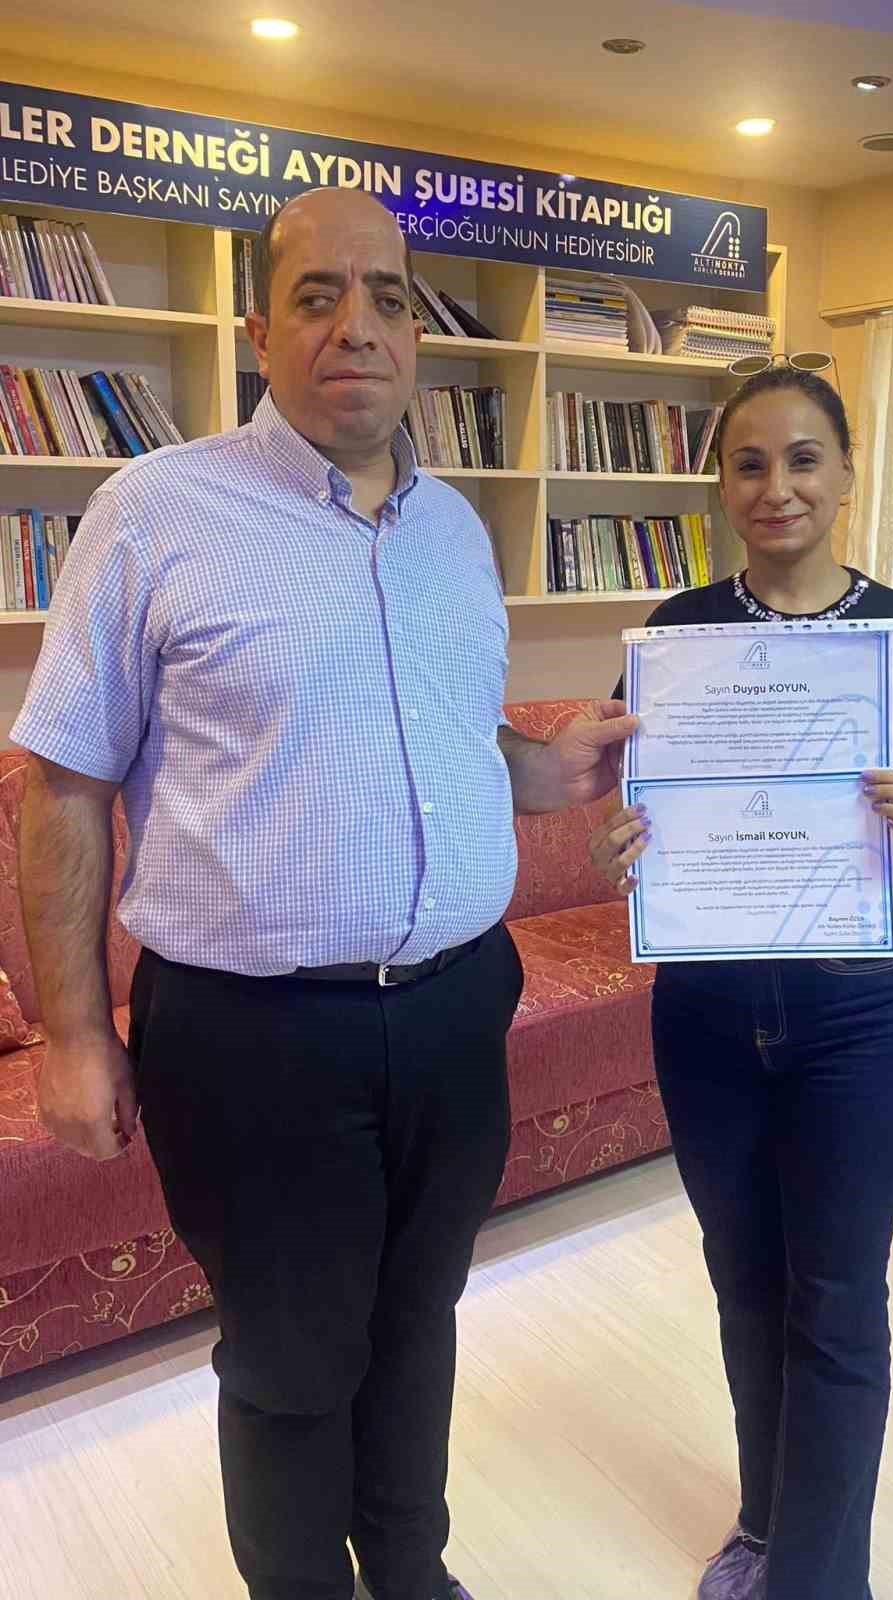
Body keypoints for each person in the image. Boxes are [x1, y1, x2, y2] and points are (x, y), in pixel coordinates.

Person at [14, 187, 635, 1600]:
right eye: (317, 295)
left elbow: (445, 729)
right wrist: (73, 1035)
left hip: (458, 1008)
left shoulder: (453, 531)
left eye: (387, 297)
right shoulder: (156, 513)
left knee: (419, 1320)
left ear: (417, 331)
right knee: (294, 1363)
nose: (357, 325)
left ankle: (411, 1574)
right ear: (259, 330)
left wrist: (540, 770)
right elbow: (61, 786)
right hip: (256, 1037)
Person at [590, 365, 893, 1600]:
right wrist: (624, 839)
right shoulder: (677, 631)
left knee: (837, 1297)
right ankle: (768, 1524)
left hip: (854, 1013)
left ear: (846, 473)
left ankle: (822, 1580)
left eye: (805, 458)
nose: (779, 486)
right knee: (745, 1280)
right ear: (722, 485)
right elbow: (632, 794)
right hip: (707, 1014)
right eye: (751, 463)